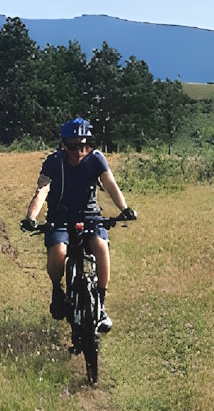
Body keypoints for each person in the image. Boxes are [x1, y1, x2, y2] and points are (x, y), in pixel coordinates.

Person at [20, 117, 135, 333]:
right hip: (60, 217)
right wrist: (31, 216)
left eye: (85, 145)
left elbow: (110, 183)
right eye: (73, 146)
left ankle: (100, 304)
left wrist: (124, 208)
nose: (79, 151)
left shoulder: (96, 159)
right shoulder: (53, 162)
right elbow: (42, 189)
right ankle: (57, 290)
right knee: (58, 253)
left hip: (89, 216)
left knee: (101, 246)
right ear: (64, 144)